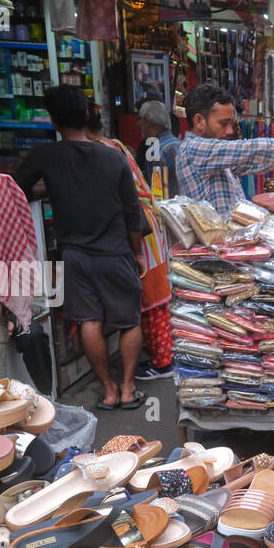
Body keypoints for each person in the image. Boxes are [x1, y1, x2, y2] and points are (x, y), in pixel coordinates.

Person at [15, 85, 145, 410]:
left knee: (90, 320)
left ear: (54, 121)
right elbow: (132, 211)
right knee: (129, 320)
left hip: (75, 254)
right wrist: (138, 252)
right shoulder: (114, 156)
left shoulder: (47, 155)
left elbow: (15, 187)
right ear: (87, 116)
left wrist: (49, 187)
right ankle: (129, 390)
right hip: (115, 251)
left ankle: (109, 390)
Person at [87, 102, 174, 381]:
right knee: (155, 296)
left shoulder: (103, 150)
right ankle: (162, 357)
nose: (137, 124)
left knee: (152, 298)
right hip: (150, 223)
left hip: (140, 228)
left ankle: (163, 363)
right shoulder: (118, 145)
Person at [174, 84, 274, 215]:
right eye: (223, 123)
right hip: (214, 248)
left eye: (231, 124)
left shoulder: (215, 157)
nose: (229, 131)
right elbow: (250, 149)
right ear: (199, 121)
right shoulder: (192, 150)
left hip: (229, 245)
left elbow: (260, 161)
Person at [135, 99, 180, 196]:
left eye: (139, 119)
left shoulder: (155, 151)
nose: (137, 124)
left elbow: (158, 197)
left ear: (146, 120)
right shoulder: (179, 144)